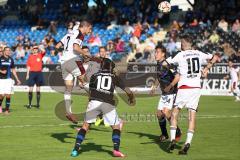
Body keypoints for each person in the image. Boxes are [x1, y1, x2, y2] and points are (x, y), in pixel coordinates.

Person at [71, 58, 135, 158]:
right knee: (116, 127)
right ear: (110, 67)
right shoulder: (114, 77)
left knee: (85, 127)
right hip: (107, 103)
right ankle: (116, 150)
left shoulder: (94, 76)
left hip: (94, 102)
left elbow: (91, 91)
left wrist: (90, 101)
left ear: (101, 66)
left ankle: (75, 149)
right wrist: (131, 98)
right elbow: (127, 91)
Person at [166, 35, 220, 154]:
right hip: (196, 88)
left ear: (183, 44)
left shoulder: (180, 55)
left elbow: (165, 63)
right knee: (192, 116)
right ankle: (187, 143)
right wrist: (206, 69)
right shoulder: (198, 53)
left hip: (184, 87)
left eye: (181, 43)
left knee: (175, 113)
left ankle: (173, 139)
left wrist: (171, 68)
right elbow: (215, 57)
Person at [55, 20, 92, 123]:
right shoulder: (79, 34)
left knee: (68, 87)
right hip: (73, 60)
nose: (90, 31)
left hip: (63, 61)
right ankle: (98, 99)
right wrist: (85, 53)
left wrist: (61, 53)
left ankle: (68, 112)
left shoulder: (69, 33)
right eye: (90, 29)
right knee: (85, 81)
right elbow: (75, 48)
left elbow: (57, 46)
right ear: (85, 26)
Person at [150, 45, 181, 142]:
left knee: (166, 112)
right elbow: (159, 78)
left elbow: (177, 77)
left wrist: (170, 85)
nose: (155, 54)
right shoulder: (158, 64)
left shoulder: (167, 64)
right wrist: (154, 87)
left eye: (157, 52)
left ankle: (177, 131)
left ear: (163, 54)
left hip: (171, 92)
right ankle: (164, 134)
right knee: (159, 114)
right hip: (164, 93)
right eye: (155, 52)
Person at [0, 47, 21, 114]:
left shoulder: (11, 59)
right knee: (2, 95)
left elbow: (13, 70)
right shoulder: (0, 59)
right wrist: (1, 71)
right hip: (1, 80)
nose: (8, 51)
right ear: (4, 51)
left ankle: (7, 110)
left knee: (8, 95)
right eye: (6, 50)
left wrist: (17, 79)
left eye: (9, 50)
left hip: (8, 79)